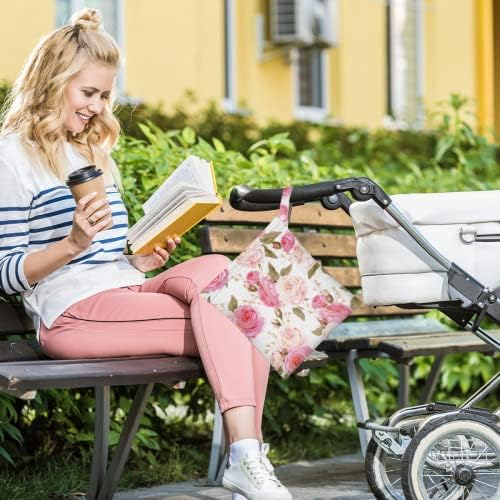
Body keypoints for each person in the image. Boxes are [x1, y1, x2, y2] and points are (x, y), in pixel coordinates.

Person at [0, 9, 293, 500]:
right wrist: (72, 243)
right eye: (88, 93)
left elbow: (108, 257)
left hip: (124, 287)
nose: (97, 107)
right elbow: (6, 273)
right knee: (246, 313)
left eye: (104, 96)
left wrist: (142, 258)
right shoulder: (12, 156)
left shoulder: (93, 153)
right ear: (53, 81)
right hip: (71, 313)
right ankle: (247, 457)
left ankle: (245, 458)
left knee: (225, 273)